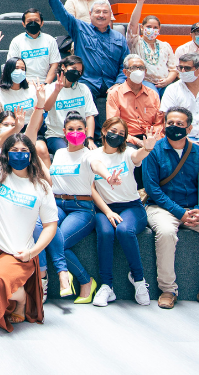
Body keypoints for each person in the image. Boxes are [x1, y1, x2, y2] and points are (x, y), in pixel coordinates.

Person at [0, 127, 57, 331]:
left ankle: (21, 301)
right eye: (14, 150)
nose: (19, 154)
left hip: (17, 252)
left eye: (24, 150)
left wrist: (33, 252)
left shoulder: (41, 186)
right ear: (5, 154)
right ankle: (6, 294)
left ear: (31, 155)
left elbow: (50, 225)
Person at [143, 107, 199, 311]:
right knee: (166, 233)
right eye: (170, 123)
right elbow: (152, 189)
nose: (174, 127)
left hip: (194, 208)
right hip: (162, 207)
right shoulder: (154, 150)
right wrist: (179, 213)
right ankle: (168, 290)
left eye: (180, 124)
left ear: (189, 128)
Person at [34, 110, 124, 305]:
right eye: (71, 129)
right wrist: (38, 162)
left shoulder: (89, 155)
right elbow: (52, 181)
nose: (75, 132)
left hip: (81, 208)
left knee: (60, 241)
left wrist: (109, 177)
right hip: (57, 203)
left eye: (80, 129)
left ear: (86, 131)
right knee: (40, 229)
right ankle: (41, 278)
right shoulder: (58, 153)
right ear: (64, 131)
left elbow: (97, 165)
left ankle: (85, 280)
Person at [90, 117, 155, 306]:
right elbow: (94, 179)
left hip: (131, 206)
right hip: (104, 208)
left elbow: (138, 157)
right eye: (113, 131)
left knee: (124, 230)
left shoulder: (128, 153)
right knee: (106, 231)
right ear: (103, 131)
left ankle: (139, 280)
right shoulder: (93, 155)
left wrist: (147, 148)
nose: (116, 136)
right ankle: (107, 286)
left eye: (121, 134)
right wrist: (108, 211)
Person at [44, 0, 128, 104]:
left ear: (110, 15)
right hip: (88, 82)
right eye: (97, 12)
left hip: (113, 83)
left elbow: (125, 64)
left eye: (105, 12)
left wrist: (119, 83)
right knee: (83, 95)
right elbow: (61, 13)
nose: (101, 15)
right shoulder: (80, 29)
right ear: (90, 14)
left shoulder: (119, 38)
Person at [159, 52, 199, 147]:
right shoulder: (172, 89)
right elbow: (168, 121)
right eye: (180, 68)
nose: (183, 71)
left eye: (187, 68)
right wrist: (189, 143)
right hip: (181, 141)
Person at [40, 56, 98, 157]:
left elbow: (90, 115)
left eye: (79, 71)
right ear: (63, 67)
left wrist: (90, 139)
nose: (77, 73)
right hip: (57, 135)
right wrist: (57, 91)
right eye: (74, 69)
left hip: (79, 134)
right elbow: (46, 108)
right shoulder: (50, 88)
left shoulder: (83, 89)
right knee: (68, 154)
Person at [106, 54, 165, 149]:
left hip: (151, 137)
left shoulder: (153, 94)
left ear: (145, 72)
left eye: (141, 68)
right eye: (133, 68)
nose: (138, 71)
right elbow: (114, 125)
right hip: (126, 138)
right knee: (132, 154)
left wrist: (153, 139)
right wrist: (137, 141)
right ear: (125, 72)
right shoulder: (115, 94)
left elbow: (159, 122)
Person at [126, 0, 177, 95]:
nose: (152, 30)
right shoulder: (136, 42)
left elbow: (174, 69)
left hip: (165, 82)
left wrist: (168, 80)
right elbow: (133, 24)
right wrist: (140, 2)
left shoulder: (165, 46)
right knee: (153, 94)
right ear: (142, 28)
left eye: (155, 28)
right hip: (145, 82)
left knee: (175, 93)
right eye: (148, 27)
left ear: (159, 29)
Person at [7, 9, 60, 84]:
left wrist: (45, 84)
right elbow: (12, 65)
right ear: (23, 24)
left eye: (36, 20)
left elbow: (55, 64)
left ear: (42, 23)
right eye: (29, 21)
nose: (33, 23)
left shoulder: (50, 40)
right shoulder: (16, 41)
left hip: (45, 83)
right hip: (23, 84)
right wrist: (25, 84)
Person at [0, 57, 36, 123]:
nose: (20, 71)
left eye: (22, 69)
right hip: (9, 129)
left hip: (30, 128)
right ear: (8, 70)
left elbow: (39, 115)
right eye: (16, 68)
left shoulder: (32, 89)